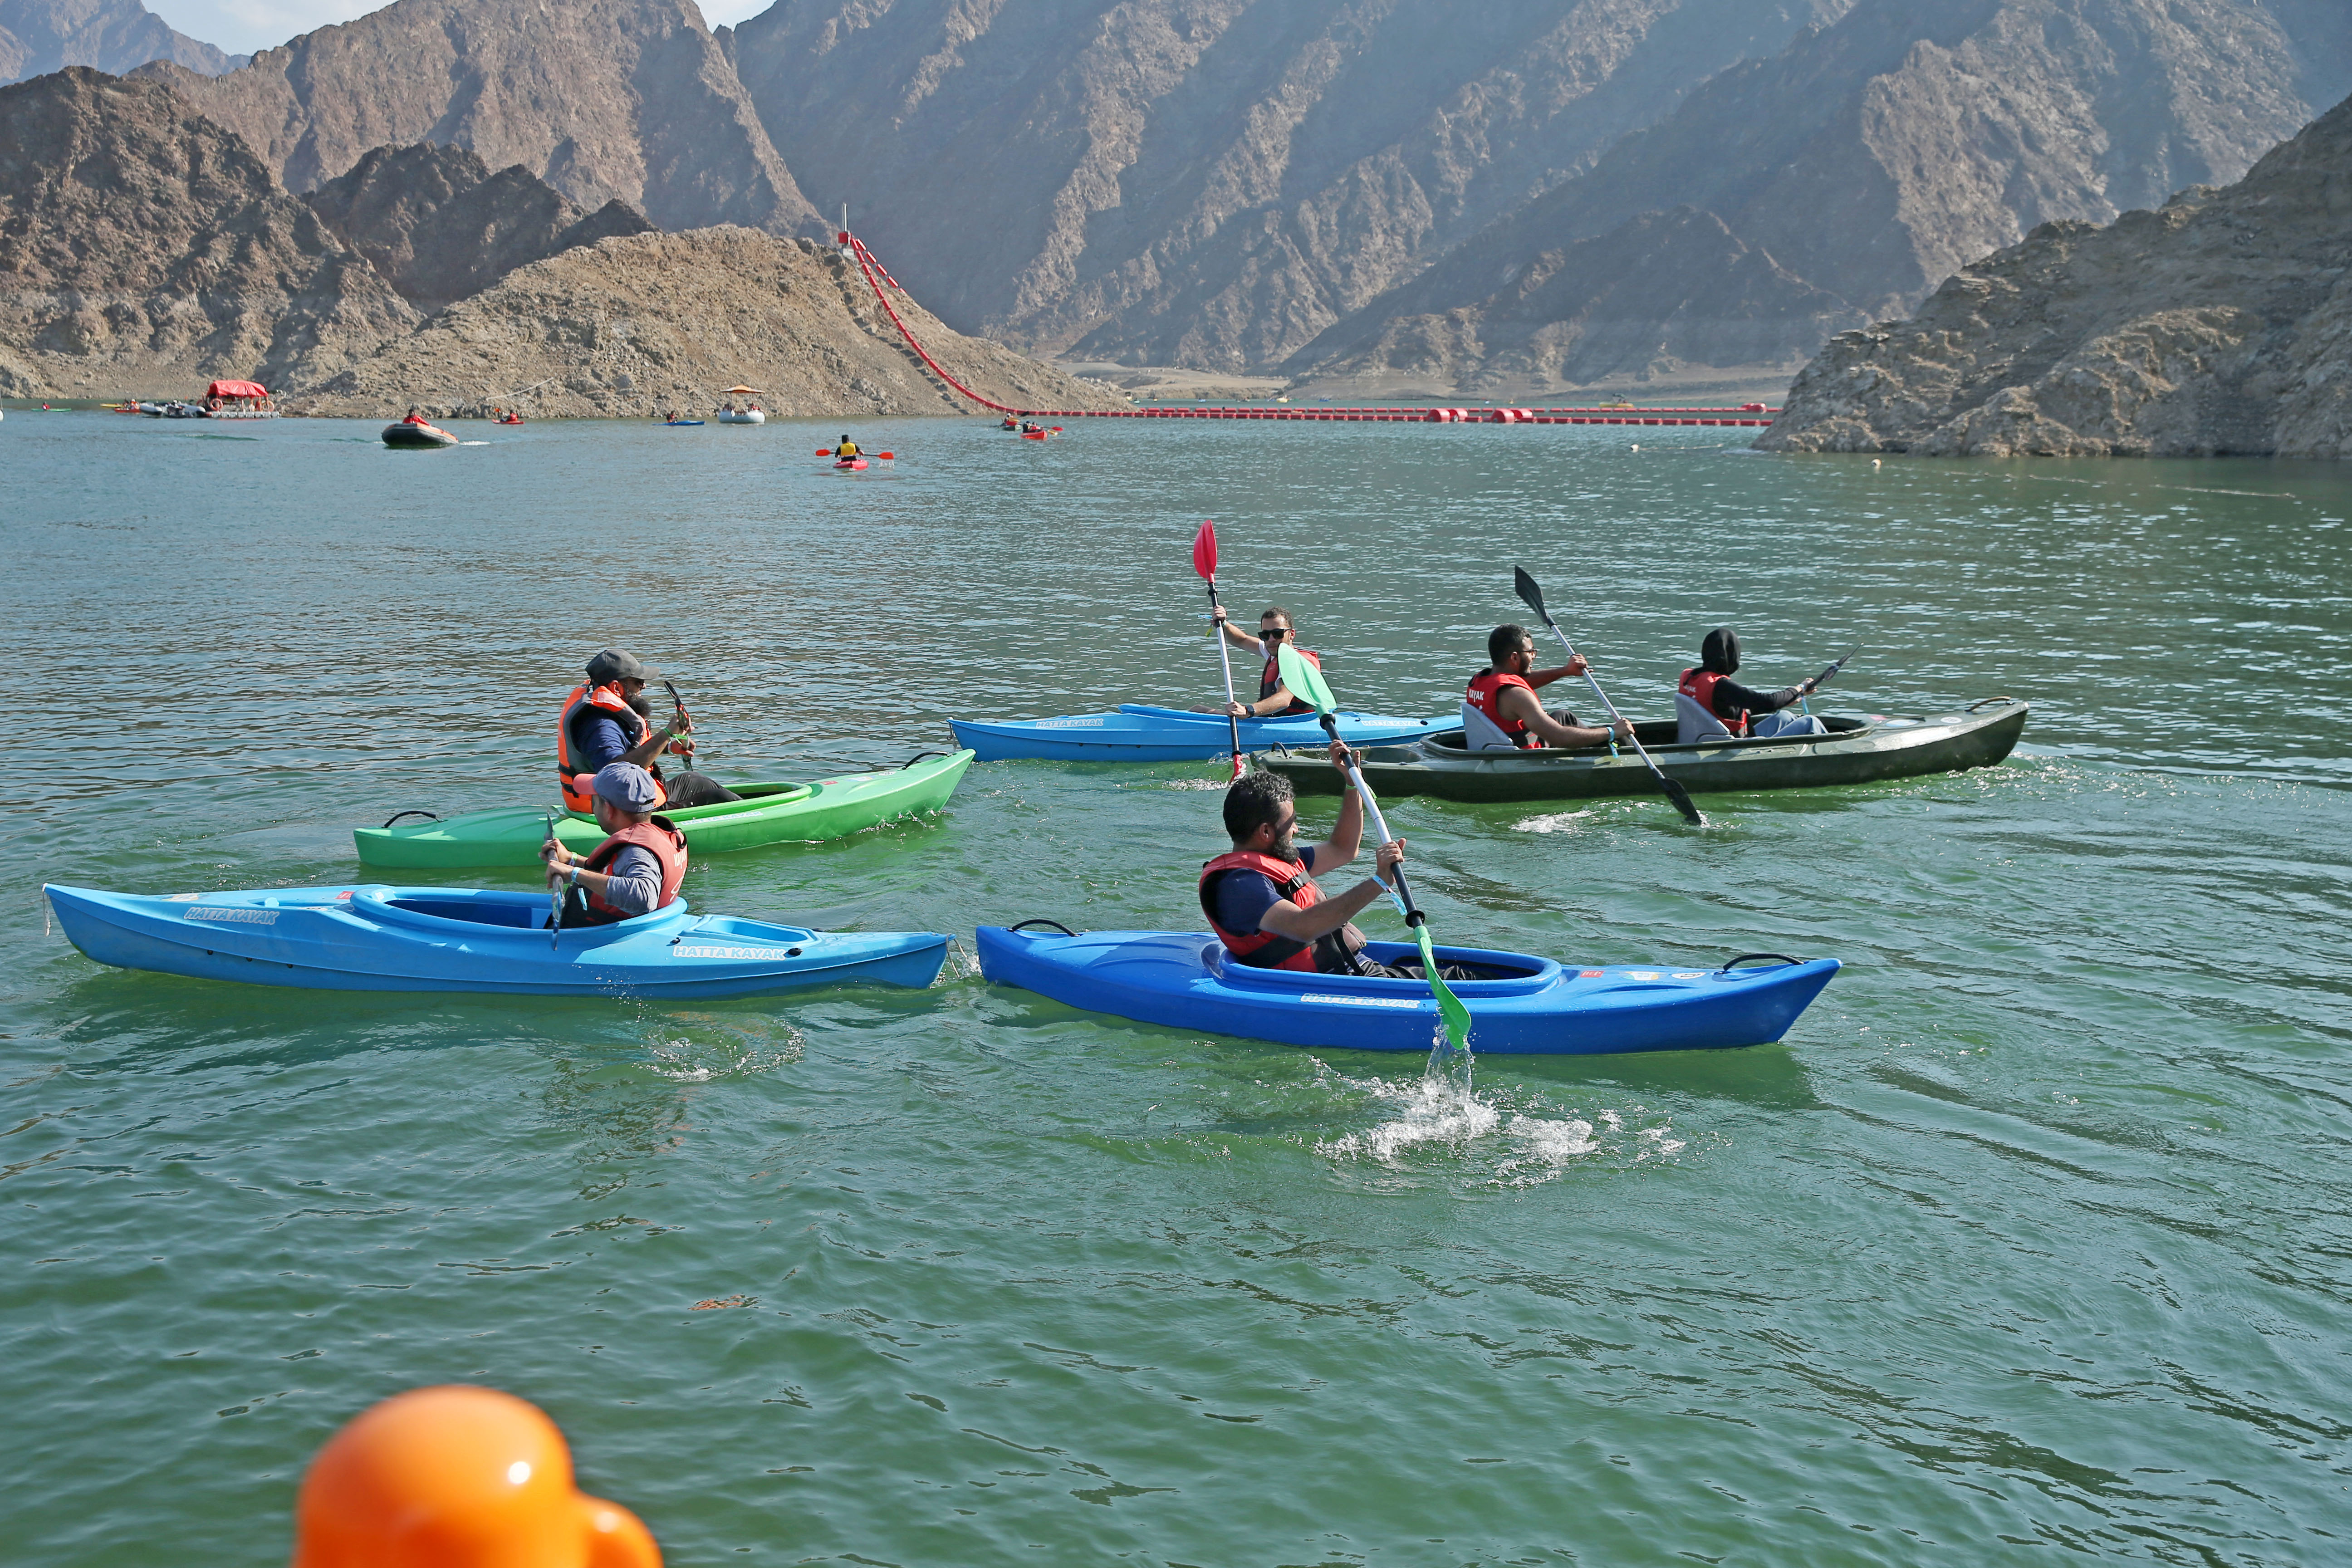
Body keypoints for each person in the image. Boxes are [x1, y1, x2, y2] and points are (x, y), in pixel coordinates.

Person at [1201, 743, 1413, 976]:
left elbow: (1343, 849)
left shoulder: (1277, 860)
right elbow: (1303, 927)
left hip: (1355, 967)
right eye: (1291, 822)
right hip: (1337, 982)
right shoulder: (1239, 886)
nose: (1296, 829)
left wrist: (1352, 783)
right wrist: (1380, 881)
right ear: (1266, 832)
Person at [555, 648, 735, 813]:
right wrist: (667, 733)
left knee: (695, 780)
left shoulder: (607, 715)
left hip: (631, 799)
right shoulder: (601, 726)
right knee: (717, 798)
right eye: (638, 682)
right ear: (616, 688)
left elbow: (624, 752)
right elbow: (617, 776)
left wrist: (668, 747)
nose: (644, 687)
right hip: (618, 813)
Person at [541, 762, 686, 927]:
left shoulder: (636, 852)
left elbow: (644, 898)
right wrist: (571, 860)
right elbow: (618, 870)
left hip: (601, 938)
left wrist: (574, 874)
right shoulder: (652, 837)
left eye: (594, 801)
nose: (594, 808)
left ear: (608, 810)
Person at [1463, 625, 1635, 751]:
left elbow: (1521, 683)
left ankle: (1607, 743)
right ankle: (1626, 756)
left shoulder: (1480, 680)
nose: (1533, 656)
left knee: (1564, 716)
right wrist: (1612, 731)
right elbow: (1561, 738)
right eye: (1531, 652)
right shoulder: (1516, 696)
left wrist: (1566, 671)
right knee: (1617, 736)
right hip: (1527, 761)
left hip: (1495, 748)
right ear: (1515, 658)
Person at [1676, 628, 1828, 743]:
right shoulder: (1721, 686)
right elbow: (1768, 702)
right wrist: (1800, 688)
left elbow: (1723, 709)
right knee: (1810, 722)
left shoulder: (1689, 677)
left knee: (1785, 716)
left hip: (1707, 740)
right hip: (1735, 750)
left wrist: (1787, 700)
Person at [1208, 605, 1320, 717]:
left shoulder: (1297, 662)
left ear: (1292, 634)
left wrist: (1248, 711)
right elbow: (1242, 640)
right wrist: (1224, 623)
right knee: (1199, 710)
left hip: (1290, 723)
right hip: (1269, 720)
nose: (1271, 639)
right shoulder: (1274, 650)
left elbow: (1284, 699)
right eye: (1265, 635)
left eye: (1278, 633)